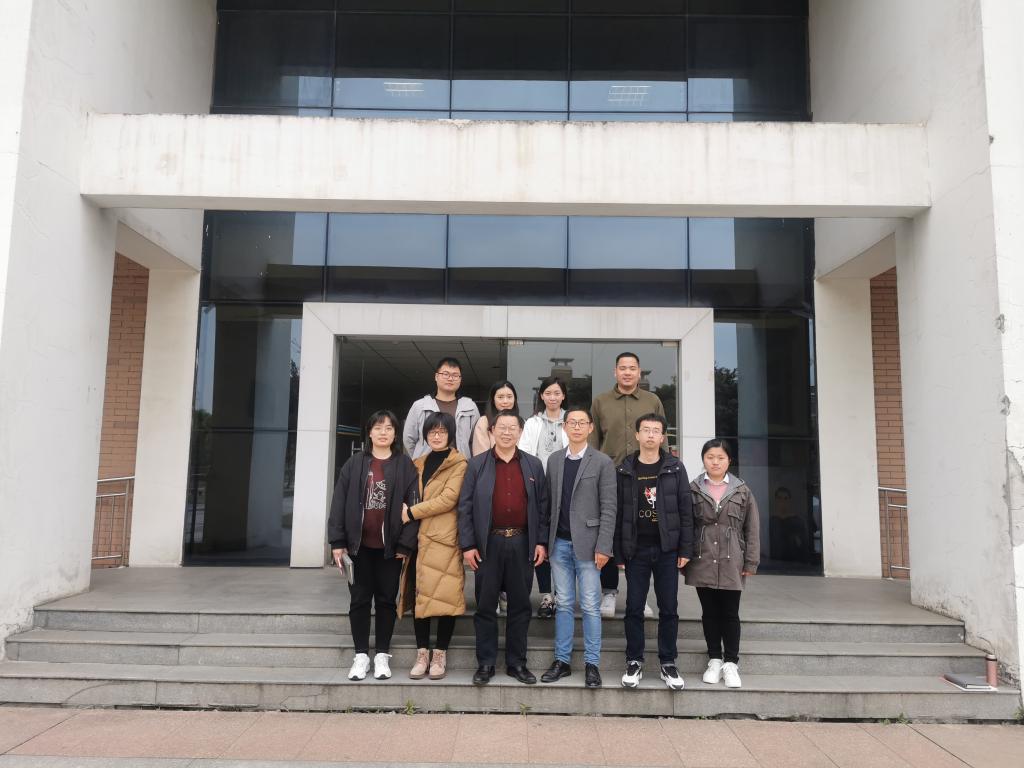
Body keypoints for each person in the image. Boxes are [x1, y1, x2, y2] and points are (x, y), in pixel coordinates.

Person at [458, 410, 549, 686]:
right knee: (485, 605)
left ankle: (516, 663)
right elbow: (465, 507)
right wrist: (468, 544)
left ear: (520, 433)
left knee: (520, 606)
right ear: (492, 432)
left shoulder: (533, 465)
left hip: (522, 542)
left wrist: (541, 542)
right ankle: (485, 663)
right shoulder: (477, 465)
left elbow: (542, 507)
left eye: (512, 428)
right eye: (502, 427)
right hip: (488, 544)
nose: (507, 432)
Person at [329, 410, 419, 682]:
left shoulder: (405, 465)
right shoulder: (355, 464)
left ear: (395, 433)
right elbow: (339, 503)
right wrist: (337, 542)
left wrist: (405, 544)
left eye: (389, 428)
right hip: (358, 548)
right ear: (369, 432)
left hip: (391, 549)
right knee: (359, 600)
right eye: (378, 427)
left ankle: (381, 654)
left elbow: (414, 507)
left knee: (386, 601)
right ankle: (360, 656)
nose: (383, 432)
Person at [614, 413, 693, 691]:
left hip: (667, 549)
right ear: (637, 435)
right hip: (636, 549)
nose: (650, 435)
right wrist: (619, 552)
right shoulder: (625, 468)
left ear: (662, 437)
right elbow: (618, 513)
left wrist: (685, 548)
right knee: (634, 607)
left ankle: (668, 662)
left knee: (668, 607)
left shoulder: (675, 468)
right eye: (645, 430)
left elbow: (685, 509)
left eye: (655, 430)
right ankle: (634, 661)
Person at [539, 406, 616, 689]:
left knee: (591, 606)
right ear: (564, 426)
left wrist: (604, 546)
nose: (577, 427)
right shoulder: (554, 460)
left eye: (582, 422)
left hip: (589, 546)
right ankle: (562, 661)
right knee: (563, 605)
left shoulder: (602, 462)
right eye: (571, 422)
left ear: (591, 427)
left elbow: (609, 508)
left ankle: (592, 664)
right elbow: (548, 503)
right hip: (559, 544)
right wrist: (545, 542)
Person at [590, 352, 666, 617]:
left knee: (640, 532)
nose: (627, 372)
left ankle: (639, 594)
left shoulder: (652, 400)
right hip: (610, 476)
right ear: (615, 372)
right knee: (610, 531)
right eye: (622, 368)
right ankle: (609, 591)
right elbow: (593, 442)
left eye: (632, 368)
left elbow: (662, 439)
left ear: (639, 372)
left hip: (644, 476)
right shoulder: (600, 401)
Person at [397, 412, 468, 681]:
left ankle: (440, 654)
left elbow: (448, 499)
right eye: (432, 432)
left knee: (447, 597)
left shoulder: (459, 464)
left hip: (443, 540)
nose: (436, 436)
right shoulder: (417, 463)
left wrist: (412, 512)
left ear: (451, 434)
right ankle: (422, 654)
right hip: (418, 540)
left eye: (442, 431)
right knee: (420, 597)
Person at [687, 439, 760, 689]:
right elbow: (687, 525)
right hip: (702, 557)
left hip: (732, 560)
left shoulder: (742, 491)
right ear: (703, 460)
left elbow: (752, 528)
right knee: (709, 612)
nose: (715, 462)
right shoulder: (694, 489)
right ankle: (714, 659)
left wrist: (751, 561)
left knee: (730, 612)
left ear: (729, 460)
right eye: (710, 457)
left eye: (720, 457)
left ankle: (731, 662)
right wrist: (684, 556)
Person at [518, 376, 569, 618]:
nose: (552, 397)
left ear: (563, 396)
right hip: (538, 488)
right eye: (548, 393)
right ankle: (547, 596)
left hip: (565, 488)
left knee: (561, 541)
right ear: (541, 396)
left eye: (557, 393)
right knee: (542, 539)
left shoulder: (572, 420)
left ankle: (562, 595)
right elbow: (525, 452)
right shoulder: (532, 422)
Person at [404, 356, 480, 459]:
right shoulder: (420, 406)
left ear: (460, 379)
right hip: (427, 465)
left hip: (460, 465)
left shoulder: (470, 406)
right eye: (445, 374)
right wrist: (420, 459)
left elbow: (475, 440)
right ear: (436, 376)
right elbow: (409, 439)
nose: (450, 378)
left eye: (455, 375)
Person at [473, 380, 519, 456]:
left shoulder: (522, 422)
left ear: (514, 399)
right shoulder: (484, 422)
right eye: (500, 397)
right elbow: (481, 457)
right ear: (493, 400)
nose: (505, 401)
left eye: (509, 397)